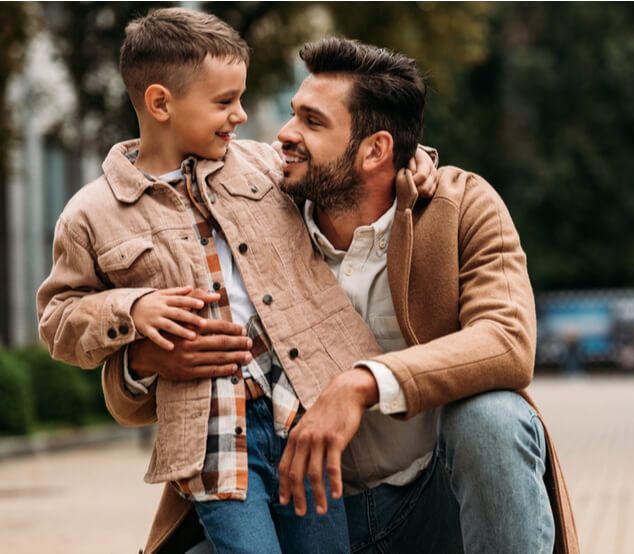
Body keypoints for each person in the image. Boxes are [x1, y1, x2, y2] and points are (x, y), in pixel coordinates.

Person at [103, 36, 579, 553]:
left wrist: (362, 383)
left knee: (492, 420)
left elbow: (507, 340)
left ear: (376, 150)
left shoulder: (460, 206)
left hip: (431, 504)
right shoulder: (248, 210)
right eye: (292, 115)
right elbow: (130, 400)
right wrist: (145, 359)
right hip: (294, 514)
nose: (284, 135)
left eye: (312, 121)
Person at [36, 9, 437, 554]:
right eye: (224, 102)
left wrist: (418, 162)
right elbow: (57, 318)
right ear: (161, 104)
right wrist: (132, 310)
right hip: (213, 431)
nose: (242, 115)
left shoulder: (262, 166)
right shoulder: (92, 213)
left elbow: (353, 158)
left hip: (300, 409)